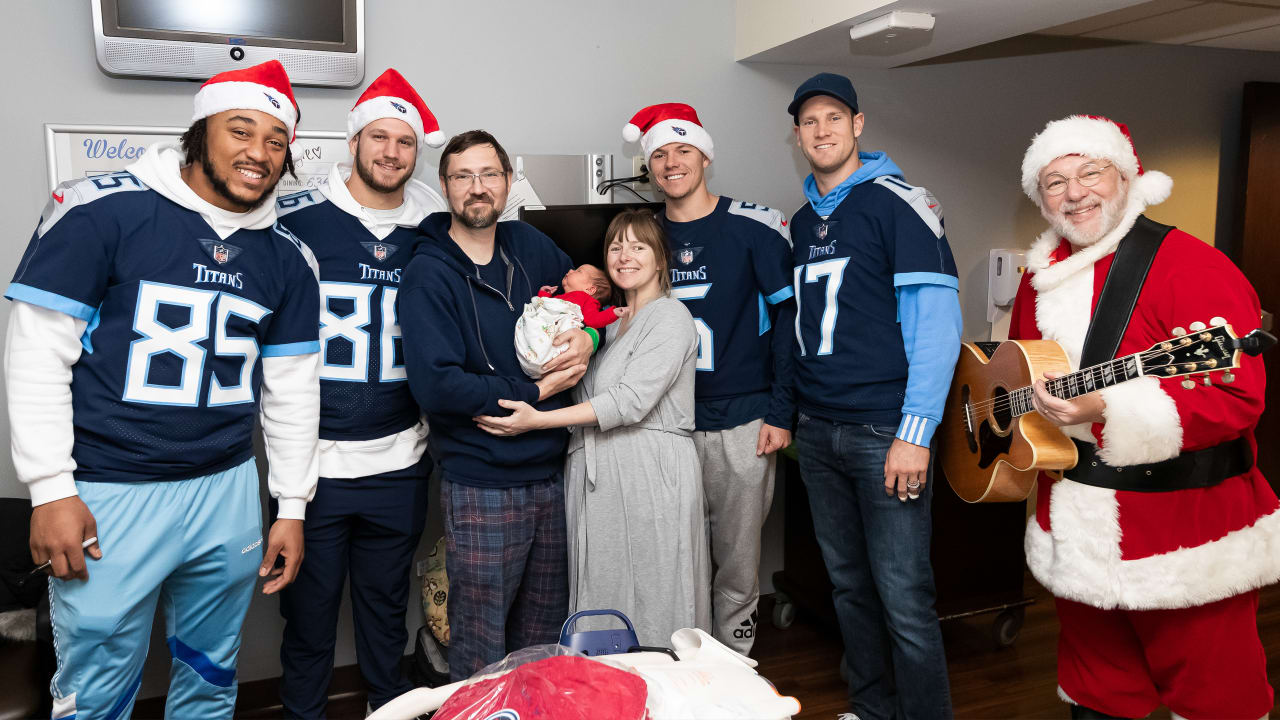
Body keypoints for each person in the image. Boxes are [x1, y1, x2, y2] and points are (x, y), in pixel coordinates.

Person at [4, 60, 320, 719]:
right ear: (200, 130)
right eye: (241, 130)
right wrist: (51, 488)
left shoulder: (289, 256)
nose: (257, 152)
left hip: (225, 485)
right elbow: (37, 355)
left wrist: (291, 503)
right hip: (110, 487)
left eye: (275, 139)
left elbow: (290, 390)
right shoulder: (101, 210)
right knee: (95, 683)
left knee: (210, 673)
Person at [1011, 115, 1279, 720]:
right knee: (1097, 691)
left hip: (1185, 530)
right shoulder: (1038, 280)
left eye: (1090, 172)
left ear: (1127, 178)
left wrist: (1105, 405)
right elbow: (1021, 380)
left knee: (1216, 696)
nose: (1074, 192)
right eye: (1055, 181)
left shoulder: (1194, 267)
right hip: (1074, 525)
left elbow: (1238, 398)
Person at [786, 72, 960, 719]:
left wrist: (914, 432)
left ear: (858, 124)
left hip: (884, 432)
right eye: (810, 121)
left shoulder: (901, 203)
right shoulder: (805, 221)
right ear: (797, 134)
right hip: (820, 432)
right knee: (849, 588)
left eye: (835, 117)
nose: (822, 130)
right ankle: (872, 707)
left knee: (904, 595)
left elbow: (938, 328)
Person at [273, 68, 446, 716]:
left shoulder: (435, 219)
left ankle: (390, 708)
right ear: (354, 141)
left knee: (384, 614)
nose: (391, 152)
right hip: (310, 465)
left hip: (398, 459)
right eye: (379, 137)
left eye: (404, 141)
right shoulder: (296, 216)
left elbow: (501, 258)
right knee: (309, 620)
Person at [397, 130, 596, 681]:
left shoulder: (532, 248)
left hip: (554, 476)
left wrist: (592, 339)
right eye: (462, 176)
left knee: (544, 636)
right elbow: (438, 386)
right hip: (482, 483)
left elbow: (591, 302)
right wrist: (534, 393)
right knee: (481, 643)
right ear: (444, 187)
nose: (477, 188)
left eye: (488, 175)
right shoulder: (428, 272)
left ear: (508, 183)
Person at [475, 209, 710, 647]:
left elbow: (629, 401)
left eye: (638, 246)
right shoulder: (606, 324)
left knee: (657, 593)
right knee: (601, 596)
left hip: (649, 472)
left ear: (661, 258)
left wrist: (536, 421)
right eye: (616, 246)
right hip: (594, 474)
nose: (624, 255)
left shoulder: (671, 317)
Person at [621, 102, 795, 654]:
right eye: (660, 154)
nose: (672, 163)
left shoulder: (756, 227)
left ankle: (734, 667)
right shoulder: (641, 237)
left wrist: (781, 411)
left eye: (683, 150)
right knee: (675, 554)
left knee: (737, 558)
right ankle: (683, 668)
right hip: (667, 424)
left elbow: (790, 323)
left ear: (705, 155)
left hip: (742, 419)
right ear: (649, 167)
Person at [517, 264, 625, 378]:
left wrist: (613, 313)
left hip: (559, 333)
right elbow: (546, 307)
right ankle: (533, 352)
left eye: (579, 271)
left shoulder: (587, 300)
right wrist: (544, 295)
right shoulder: (561, 296)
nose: (570, 270)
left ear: (590, 289)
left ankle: (542, 356)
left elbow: (594, 320)